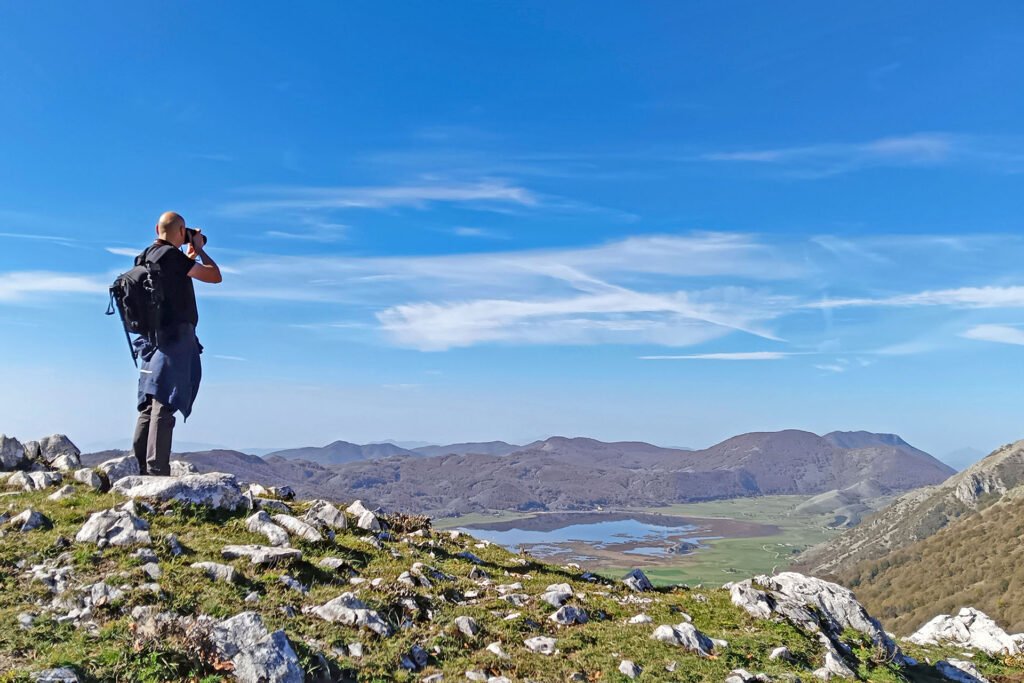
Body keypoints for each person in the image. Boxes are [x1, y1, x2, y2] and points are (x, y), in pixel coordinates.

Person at [132, 211, 222, 476]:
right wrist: (202, 250)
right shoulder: (171, 256)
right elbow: (215, 276)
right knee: (164, 401)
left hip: (151, 340)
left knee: (149, 401)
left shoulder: (146, 256)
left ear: (156, 228)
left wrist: (188, 254)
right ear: (181, 231)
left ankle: (139, 466)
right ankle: (157, 468)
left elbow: (173, 280)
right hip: (173, 339)